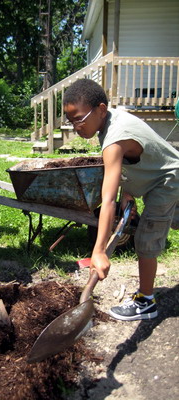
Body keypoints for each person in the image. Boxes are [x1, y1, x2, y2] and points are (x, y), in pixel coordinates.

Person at [63, 78, 179, 321]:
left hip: (168, 180)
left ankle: (146, 301)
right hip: (160, 176)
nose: (76, 127)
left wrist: (99, 251)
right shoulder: (106, 123)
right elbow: (136, 155)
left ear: (101, 109)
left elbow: (107, 200)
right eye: (71, 121)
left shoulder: (114, 137)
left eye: (79, 119)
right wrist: (129, 192)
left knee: (147, 236)